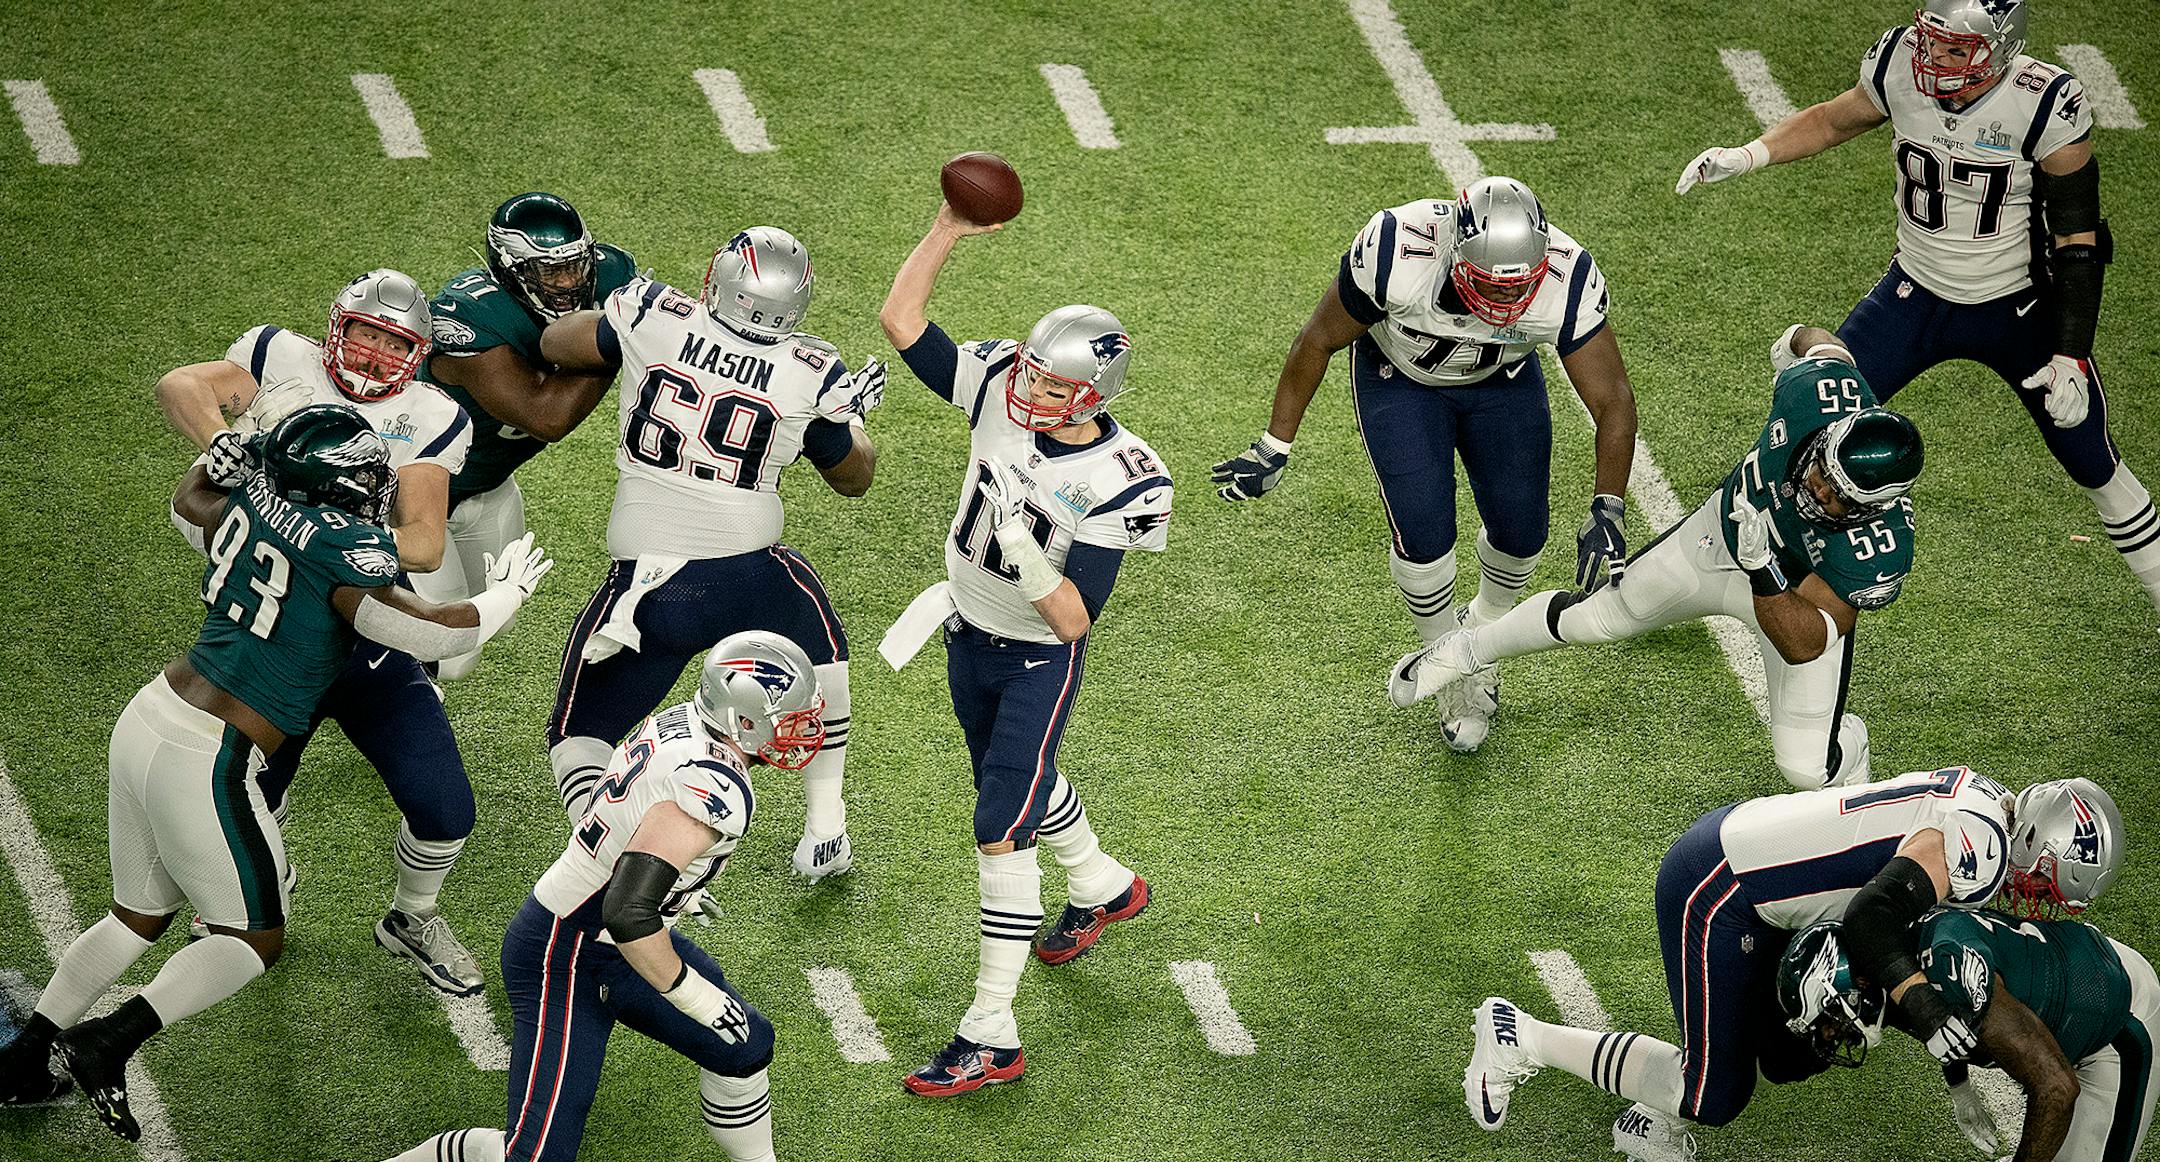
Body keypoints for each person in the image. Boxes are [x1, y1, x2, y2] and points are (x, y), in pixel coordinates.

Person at [0, 405, 548, 1131]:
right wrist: (507, 592)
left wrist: (211, 462)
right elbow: (422, 632)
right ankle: (110, 1038)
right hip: (209, 753)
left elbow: (188, 503)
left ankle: (20, 1061)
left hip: (152, 715)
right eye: (362, 476)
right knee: (252, 938)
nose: (374, 484)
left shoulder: (252, 498)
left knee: (136, 916)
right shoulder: (341, 548)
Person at [312, 633, 865, 1162]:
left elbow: (636, 831)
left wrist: (679, 882)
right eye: (789, 718)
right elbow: (628, 913)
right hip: (568, 952)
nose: (803, 730)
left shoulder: (686, 723)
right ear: (744, 716)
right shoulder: (714, 785)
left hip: (610, 938)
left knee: (745, 1047)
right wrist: (693, 993)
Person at [1676, 0, 2159, 616]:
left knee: (2095, 463)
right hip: (1915, 293)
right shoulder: (1900, 60)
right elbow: (1831, 121)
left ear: (2001, 49)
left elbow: (2078, 239)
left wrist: (2071, 353)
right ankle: (1693, 569)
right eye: (1932, 42)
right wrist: (1751, 153)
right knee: (1803, 440)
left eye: (1957, 50)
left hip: (2018, 309)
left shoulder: (2045, 100)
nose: (1935, 59)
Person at [1459, 768, 2120, 1162]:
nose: (2040, 901)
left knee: (1789, 1051)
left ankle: (1648, 1114)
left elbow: (1904, 930)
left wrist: (1952, 1069)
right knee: (1715, 1092)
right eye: (2047, 881)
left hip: (1770, 874)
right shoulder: (1982, 848)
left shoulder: (1985, 811)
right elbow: (1873, 919)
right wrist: (1925, 1011)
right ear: (2037, 840)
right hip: (1725, 888)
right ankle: (1520, 1037)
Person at [878, 204, 1171, 1096]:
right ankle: (1103, 884)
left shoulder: (1125, 480)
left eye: (1051, 387)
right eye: (1033, 375)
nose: (1029, 393)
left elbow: (1076, 617)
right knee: (1019, 788)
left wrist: (1025, 551)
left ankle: (990, 1032)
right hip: (965, 633)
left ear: (1095, 396)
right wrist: (945, 230)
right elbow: (903, 325)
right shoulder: (1002, 378)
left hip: (1037, 656)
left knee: (998, 831)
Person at [155, 269, 494, 995]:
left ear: (416, 356)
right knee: (251, 798)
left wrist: (317, 534)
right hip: (271, 635)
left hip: (367, 634)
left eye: (391, 346)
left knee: (445, 808)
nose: (372, 360)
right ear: (337, 328)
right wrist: (220, 441)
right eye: (366, 337)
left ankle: (412, 917)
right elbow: (180, 387)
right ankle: (264, 877)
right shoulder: (280, 357)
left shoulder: (431, 416)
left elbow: (427, 542)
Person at [1213, 176, 1637, 751]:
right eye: (1490, 284)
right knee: (1424, 533)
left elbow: (1612, 398)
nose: (1507, 302)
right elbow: (1318, 339)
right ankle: (1448, 663)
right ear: (1455, 253)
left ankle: (1481, 632)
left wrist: (1607, 504)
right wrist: (1274, 444)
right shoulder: (1396, 249)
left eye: (1520, 288)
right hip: (1400, 381)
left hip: (1500, 380)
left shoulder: (1569, 277)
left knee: (1522, 533)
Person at [1400, 326, 1921, 789]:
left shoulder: (1883, 546)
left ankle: (1849, 745)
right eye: (1821, 469)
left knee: (1809, 769)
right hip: (1717, 540)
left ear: (1872, 507)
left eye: (1836, 495)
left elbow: (1805, 642)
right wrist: (1789, 344)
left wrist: (1763, 568)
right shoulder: (1818, 394)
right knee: (1600, 615)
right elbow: (1816, 340)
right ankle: (1464, 651)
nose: (1817, 487)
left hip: (1792, 600)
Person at [539, 227, 882, 881]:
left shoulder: (652, 314)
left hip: (649, 586)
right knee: (820, 643)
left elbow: (557, 344)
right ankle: (826, 829)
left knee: (576, 733)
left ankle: (607, 853)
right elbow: (853, 477)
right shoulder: (812, 371)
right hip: (751, 574)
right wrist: (852, 421)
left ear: (716, 282)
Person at [1781, 908, 2160, 1162]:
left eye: (1830, 1019)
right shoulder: (1901, 966)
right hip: (2073, 981)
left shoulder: (1948, 971)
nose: (1831, 1035)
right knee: (2025, 1060)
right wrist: (1960, 1086)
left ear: (1857, 984)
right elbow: (1940, 1022)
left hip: (2118, 1023)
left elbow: (2057, 1087)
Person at [417, 192, 639, 678]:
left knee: (498, 617)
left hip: (489, 485)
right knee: (447, 653)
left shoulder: (614, 275)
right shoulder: (467, 316)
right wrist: (617, 339)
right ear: (510, 270)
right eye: (547, 272)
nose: (567, 283)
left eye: (574, 267)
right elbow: (546, 416)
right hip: (413, 494)